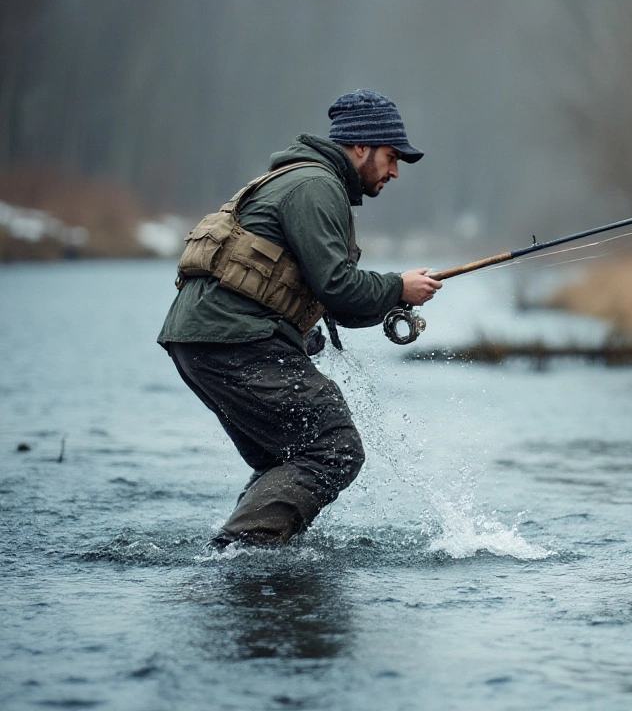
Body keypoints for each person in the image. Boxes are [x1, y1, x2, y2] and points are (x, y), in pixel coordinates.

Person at [158, 89, 442, 549]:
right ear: (360, 146)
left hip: (205, 340)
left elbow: (341, 306)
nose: (394, 171)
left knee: (286, 456)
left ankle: (248, 556)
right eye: (392, 157)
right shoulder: (315, 187)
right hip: (234, 339)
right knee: (334, 446)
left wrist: (397, 297)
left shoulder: (308, 184)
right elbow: (338, 286)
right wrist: (396, 286)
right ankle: (239, 553)